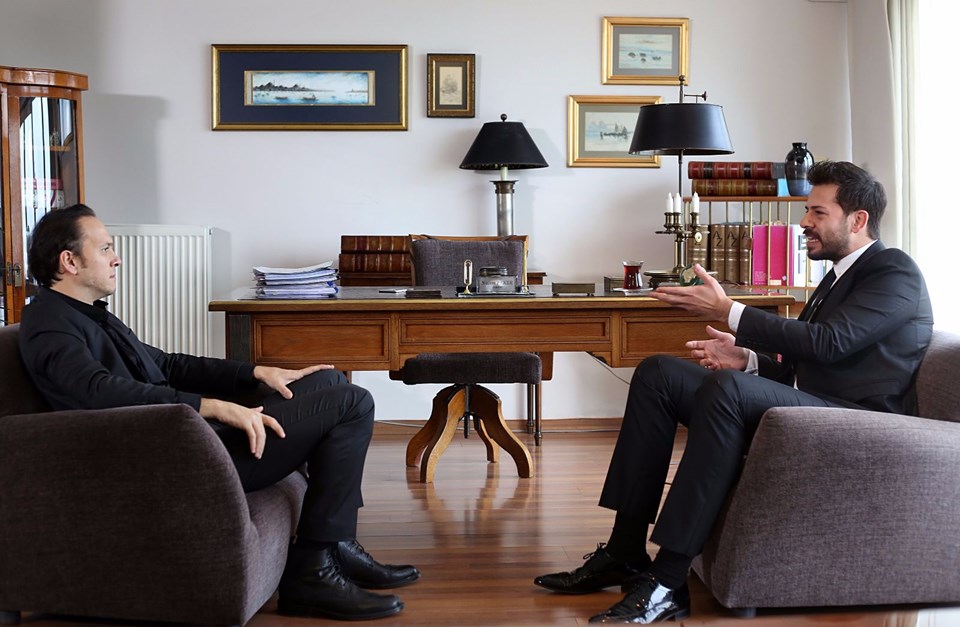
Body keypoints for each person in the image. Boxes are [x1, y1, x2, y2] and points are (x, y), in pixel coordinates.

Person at [533, 161, 934, 623]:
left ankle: (668, 579)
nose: (804, 221)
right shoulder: (837, 276)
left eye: (818, 212)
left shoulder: (893, 271)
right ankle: (625, 550)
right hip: (818, 404)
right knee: (659, 373)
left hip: (857, 421)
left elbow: (830, 343)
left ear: (858, 220)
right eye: (807, 210)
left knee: (727, 390)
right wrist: (749, 359)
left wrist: (729, 310)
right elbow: (811, 364)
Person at [18, 204, 419, 621]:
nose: (116, 258)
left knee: (328, 380)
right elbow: (95, 392)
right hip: (176, 458)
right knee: (353, 403)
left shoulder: (87, 315)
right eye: (104, 249)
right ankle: (312, 572)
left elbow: (167, 364)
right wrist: (211, 406)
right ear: (69, 261)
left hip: (187, 438)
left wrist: (256, 372)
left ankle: (337, 544)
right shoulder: (49, 323)